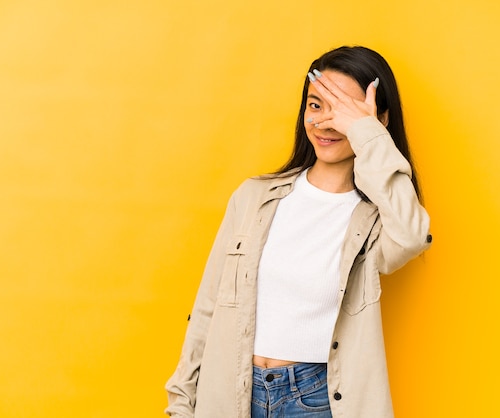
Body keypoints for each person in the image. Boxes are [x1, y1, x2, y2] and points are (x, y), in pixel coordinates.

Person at [165, 45, 432, 418]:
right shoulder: (254, 197)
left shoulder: (374, 219)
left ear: (378, 121)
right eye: (316, 105)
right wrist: (182, 401)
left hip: (317, 400)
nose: (324, 123)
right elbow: (209, 308)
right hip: (231, 394)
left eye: (343, 111)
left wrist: (367, 134)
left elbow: (412, 235)